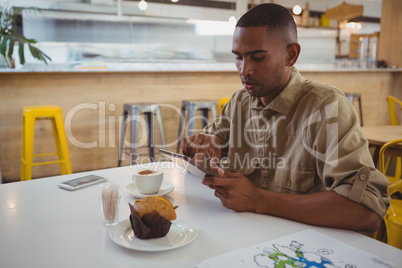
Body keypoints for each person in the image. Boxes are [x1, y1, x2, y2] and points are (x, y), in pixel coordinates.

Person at [181, 3, 390, 233]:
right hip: (245, 238)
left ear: (291, 55)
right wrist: (201, 152)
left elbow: (367, 211)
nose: (244, 70)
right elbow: (213, 145)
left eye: (257, 58)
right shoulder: (239, 102)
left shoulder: (326, 108)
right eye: (239, 57)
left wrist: (258, 200)